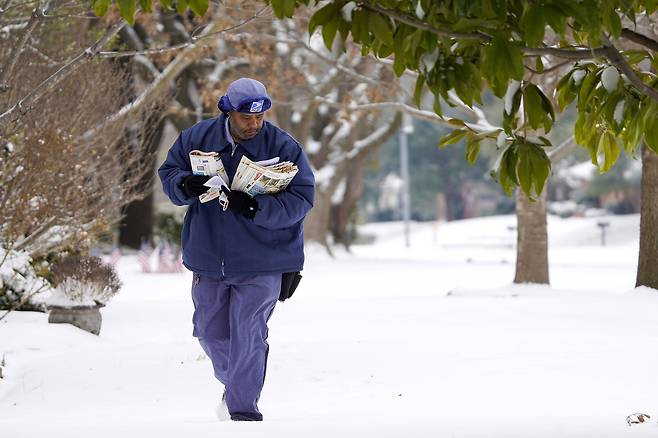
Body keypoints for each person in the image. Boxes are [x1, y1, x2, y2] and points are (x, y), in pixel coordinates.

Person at [158, 78, 315, 421]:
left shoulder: (284, 146)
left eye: (260, 117)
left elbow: (302, 198)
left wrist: (257, 207)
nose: (254, 124)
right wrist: (185, 183)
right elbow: (169, 173)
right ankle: (237, 387)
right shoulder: (195, 138)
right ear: (228, 110)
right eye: (246, 117)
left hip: (264, 260)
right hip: (209, 257)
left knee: (248, 335)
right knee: (210, 332)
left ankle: (242, 414)